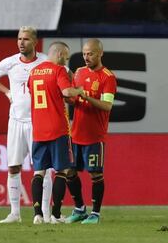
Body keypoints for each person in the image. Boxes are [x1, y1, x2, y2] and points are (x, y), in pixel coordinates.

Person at [0, 26, 53, 223]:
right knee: (13, 167)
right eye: (19, 39)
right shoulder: (10, 62)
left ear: (35, 42)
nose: (21, 42)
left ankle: (46, 214)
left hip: (38, 122)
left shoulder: (45, 61)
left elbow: (62, 76)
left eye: (26, 39)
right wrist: (6, 92)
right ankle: (15, 213)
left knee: (43, 169)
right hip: (15, 121)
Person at [28, 41, 83, 224]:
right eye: (66, 57)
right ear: (59, 54)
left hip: (38, 130)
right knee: (62, 171)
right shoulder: (58, 70)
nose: (65, 61)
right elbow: (67, 91)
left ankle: (37, 214)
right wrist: (80, 90)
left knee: (39, 172)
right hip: (57, 129)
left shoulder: (34, 72)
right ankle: (56, 215)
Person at [65, 39, 117, 224]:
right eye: (85, 53)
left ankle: (95, 213)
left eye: (91, 54)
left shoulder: (107, 77)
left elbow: (107, 105)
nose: (87, 57)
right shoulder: (78, 72)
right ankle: (79, 209)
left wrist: (86, 96)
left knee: (95, 174)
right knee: (69, 171)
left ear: (100, 53)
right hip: (76, 133)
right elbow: (74, 100)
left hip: (95, 136)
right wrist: (69, 97)